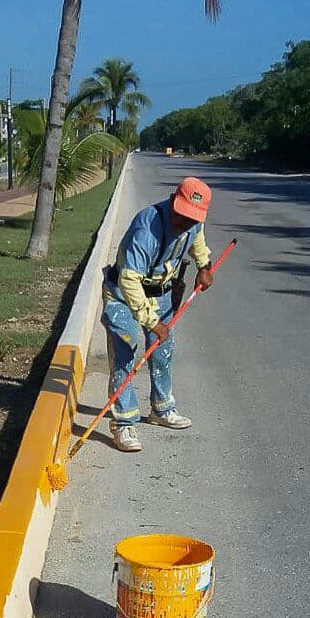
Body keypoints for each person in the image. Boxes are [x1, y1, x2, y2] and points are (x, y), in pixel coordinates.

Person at [101, 176, 214, 452]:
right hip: (123, 294)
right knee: (125, 352)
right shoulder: (147, 227)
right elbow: (129, 280)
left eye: (192, 217)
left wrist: (204, 265)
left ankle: (162, 409)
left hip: (161, 293)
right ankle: (123, 422)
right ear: (174, 200)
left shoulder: (193, 221)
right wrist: (151, 321)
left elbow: (197, 237)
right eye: (182, 215)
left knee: (162, 350)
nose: (185, 222)